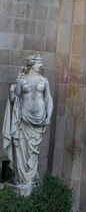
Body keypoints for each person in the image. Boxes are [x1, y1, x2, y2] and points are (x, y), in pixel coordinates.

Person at [2, 55, 53, 195]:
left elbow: (48, 99)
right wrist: (12, 91)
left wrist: (48, 115)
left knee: (33, 150)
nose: (41, 65)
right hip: (24, 120)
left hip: (39, 121)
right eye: (39, 63)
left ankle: (30, 178)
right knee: (23, 149)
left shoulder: (44, 81)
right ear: (32, 64)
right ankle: (24, 179)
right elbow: (14, 100)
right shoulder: (22, 81)